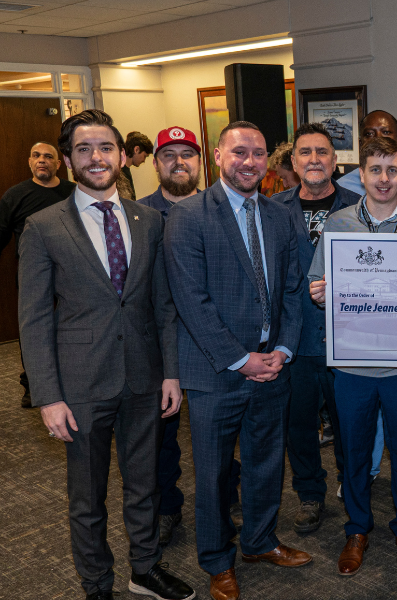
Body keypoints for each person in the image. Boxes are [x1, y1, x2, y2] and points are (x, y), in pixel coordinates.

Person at [17, 109, 194, 600]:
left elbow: (163, 304)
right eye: (84, 149)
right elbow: (33, 319)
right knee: (87, 498)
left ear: (121, 155)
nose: (96, 158)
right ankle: (97, 585)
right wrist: (47, 397)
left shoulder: (150, 220)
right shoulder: (43, 226)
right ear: (71, 159)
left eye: (105, 148)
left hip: (144, 378)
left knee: (145, 487)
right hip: (79, 386)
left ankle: (145, 570)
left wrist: (172, 374)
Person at [164, 121, 309, 600]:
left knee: (268, 462)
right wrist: (240, 359)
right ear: (218, 156)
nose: (250, 162)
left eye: (259, 154)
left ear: (269, 160)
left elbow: (291, 289)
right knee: (214, 472)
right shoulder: (188, 216)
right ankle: (217, 560)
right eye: (240, 152)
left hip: (273, 366)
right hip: (215, 372)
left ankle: (260, 541)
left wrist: (283, 350)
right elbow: (192, 301)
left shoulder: (279, 213)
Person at [308, 137, 397, 576]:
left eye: (393, 170)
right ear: (360, 175)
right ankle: (357, 528)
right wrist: (321, 293)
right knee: (355, 452)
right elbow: (317, 286)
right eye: (375, 170)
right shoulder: (338, 225)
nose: (384, 179)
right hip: (352, 364)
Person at [138, 125, 243, 547]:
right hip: (156, 346)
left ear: (202, 161)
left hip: (211, 342)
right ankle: (167, 508)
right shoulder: (138, 215)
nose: (179, 162)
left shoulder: (222, 209)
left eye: (187, 154)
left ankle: (226, 493)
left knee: (221, 430)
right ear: (155, 162)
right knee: (161, 436)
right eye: (169, 155)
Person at [271, 122, 361, 535]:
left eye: (322, 152)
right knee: (299, 426)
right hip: (295, 339)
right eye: (304, 152)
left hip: (348, 340)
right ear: (294, 161)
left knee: (349, 423)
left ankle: (353, 486)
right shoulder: (272, 209)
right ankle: (310, 494)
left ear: (335, 160)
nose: (313, 159)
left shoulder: (360, 208)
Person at [0, 142, 75, 408]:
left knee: (72, 327)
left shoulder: (73, 192)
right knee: (35, 329)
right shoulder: (14, 195)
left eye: (48, 156)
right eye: (36, 156)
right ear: (30, 162)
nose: (41, 160)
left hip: (72, 273)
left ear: (59, 164)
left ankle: (73, 379)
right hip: (34, 275)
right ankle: (33, 384)